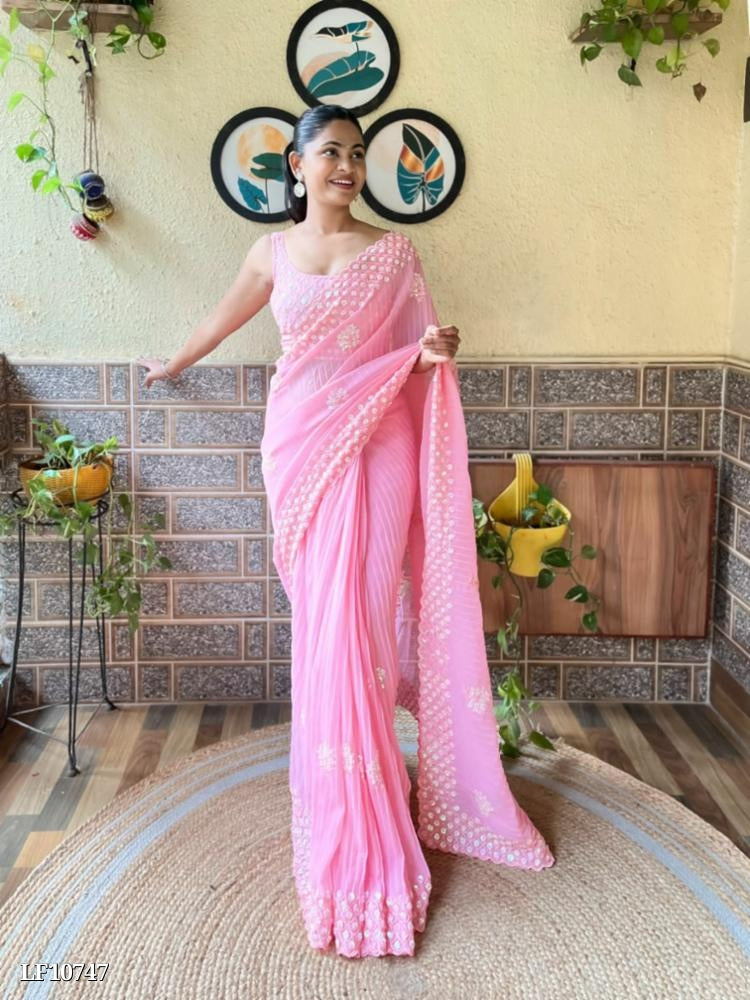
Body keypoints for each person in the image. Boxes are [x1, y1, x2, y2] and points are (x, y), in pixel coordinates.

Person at [137, 104, 554, 960]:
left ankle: (373, 802)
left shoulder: (394, 254)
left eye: (358, 154)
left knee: (358, 625)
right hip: (302, 445)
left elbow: (413, 351)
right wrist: (174, 362)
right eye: (331, 152)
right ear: (295, 165)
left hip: (382, 445)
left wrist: (432, 350)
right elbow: (223, 318)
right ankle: (343, 791)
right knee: (324, 628)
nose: (348, 166)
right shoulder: (270, 254)